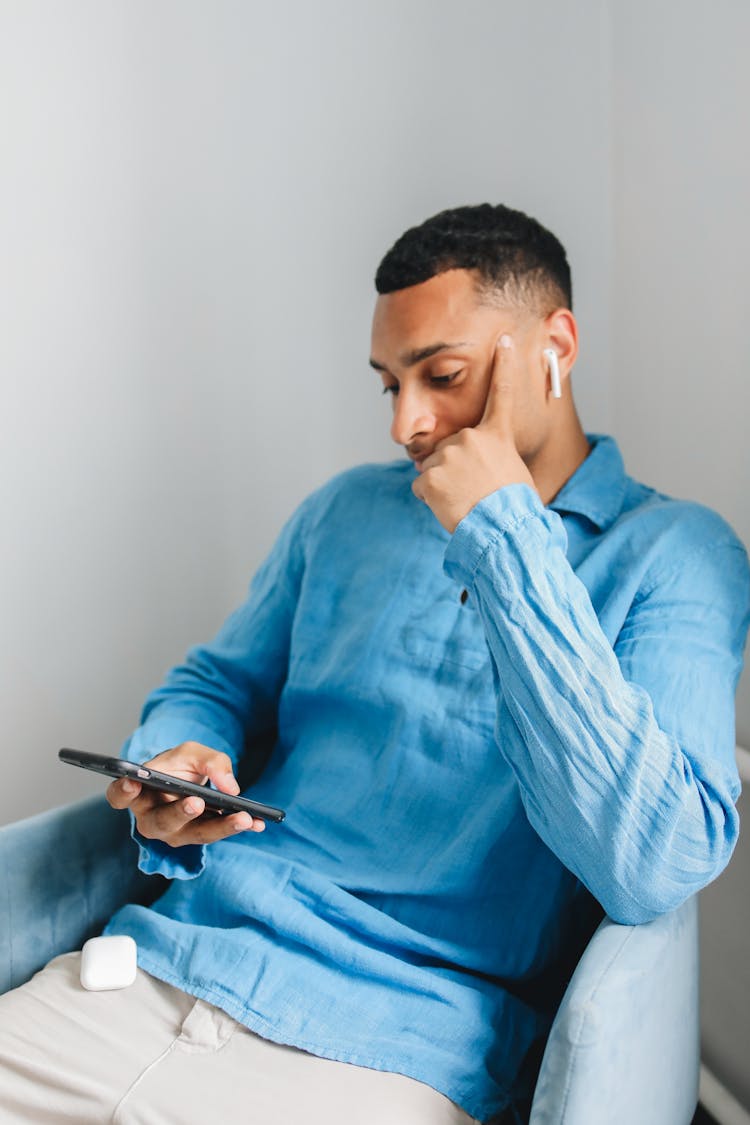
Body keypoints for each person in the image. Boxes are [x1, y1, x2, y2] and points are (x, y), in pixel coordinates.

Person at [1, 204, 748, 1125]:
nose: (408, 423)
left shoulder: (676, 554)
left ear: (554, 346)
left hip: (384, 1052)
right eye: (389, 383)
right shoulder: (343, 514)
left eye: (443, 375)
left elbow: (652, 859)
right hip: (143, 973)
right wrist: (180, 751)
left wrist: (505, 536)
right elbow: (218, 682)